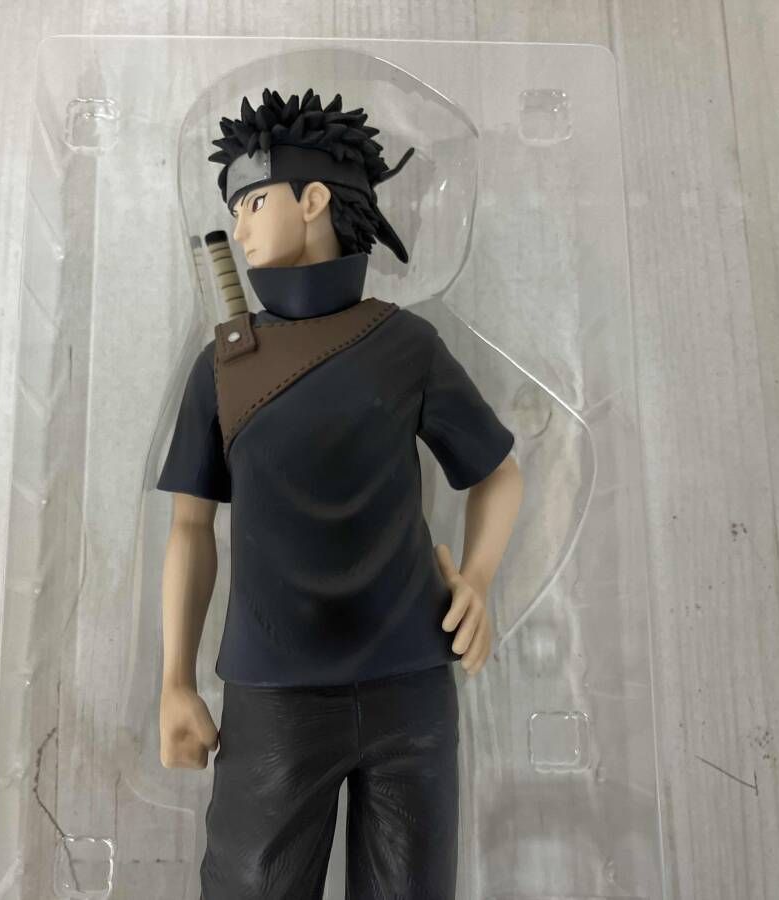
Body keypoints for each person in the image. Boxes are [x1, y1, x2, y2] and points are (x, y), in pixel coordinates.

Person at [156, 87, 524, 899]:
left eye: (254, 201)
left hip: (411, 682)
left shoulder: (406, 346)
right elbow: (189, 528)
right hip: (275, 695)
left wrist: (478, 579)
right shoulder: (224, 366)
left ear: (314, 199)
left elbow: (497, 472)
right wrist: (175, 681)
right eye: (234, 211)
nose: (241, 227)